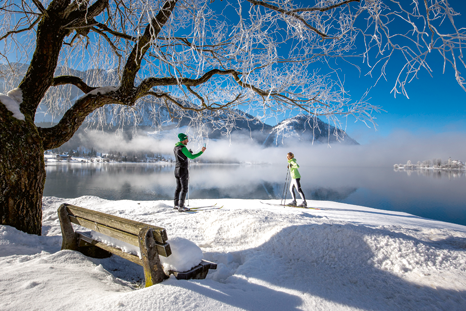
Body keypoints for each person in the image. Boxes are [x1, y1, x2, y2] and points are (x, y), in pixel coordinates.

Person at [173, 133, 206, 211]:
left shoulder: (176, 147)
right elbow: (192, 157)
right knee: (184, 188)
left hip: (177, 169)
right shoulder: (183, 148)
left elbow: (181, 156)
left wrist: (188, 153)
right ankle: (181, 206)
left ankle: (176, 205)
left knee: (178, 188)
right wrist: (201, 151)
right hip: (183, 170)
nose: (187, 141)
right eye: (186, 139)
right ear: (183, 140)